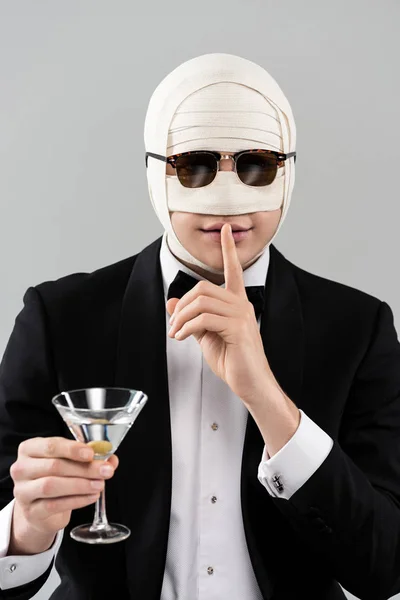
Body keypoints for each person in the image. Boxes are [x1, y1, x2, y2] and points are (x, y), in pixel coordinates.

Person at [0, 52, 400, 600]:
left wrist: (266, 397)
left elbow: (383, 570)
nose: (228, 204)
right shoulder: (59, 317)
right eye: (195, 166)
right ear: (155, 171)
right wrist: (26, 529)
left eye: (257, 164)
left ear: (287, 171)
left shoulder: (359, 327)